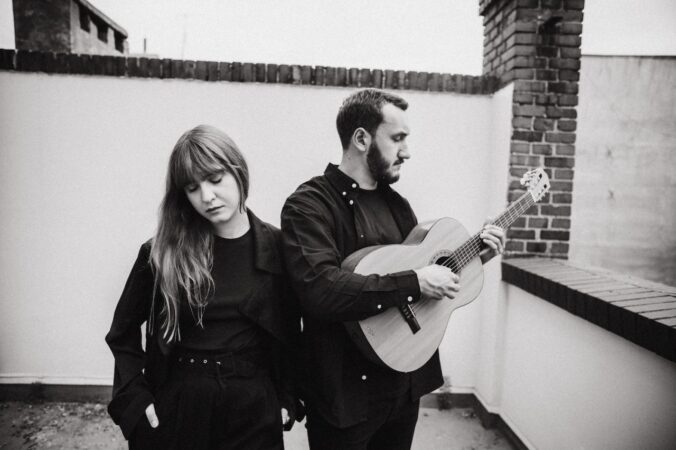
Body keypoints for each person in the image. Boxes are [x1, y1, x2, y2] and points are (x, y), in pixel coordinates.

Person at [280, 89, 505, 450]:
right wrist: (414, 282)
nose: (407, 151)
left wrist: (477, 257)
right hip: (344, 396)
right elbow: (320, 290)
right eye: (397, 138)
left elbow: (428, 285)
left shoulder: (399, 206)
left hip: (403, 385)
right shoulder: (308, 206)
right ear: (361, 139)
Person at [106, 125, 302, 449]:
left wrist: (287, 397)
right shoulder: (163, 253)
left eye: (215, 179)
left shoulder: (278, 248)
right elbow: (121, 332)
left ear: (238, 171)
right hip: (180, 403)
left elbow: (292, 330)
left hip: (253, 405)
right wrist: (134, 399)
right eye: (192, 187)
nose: (207, 197)